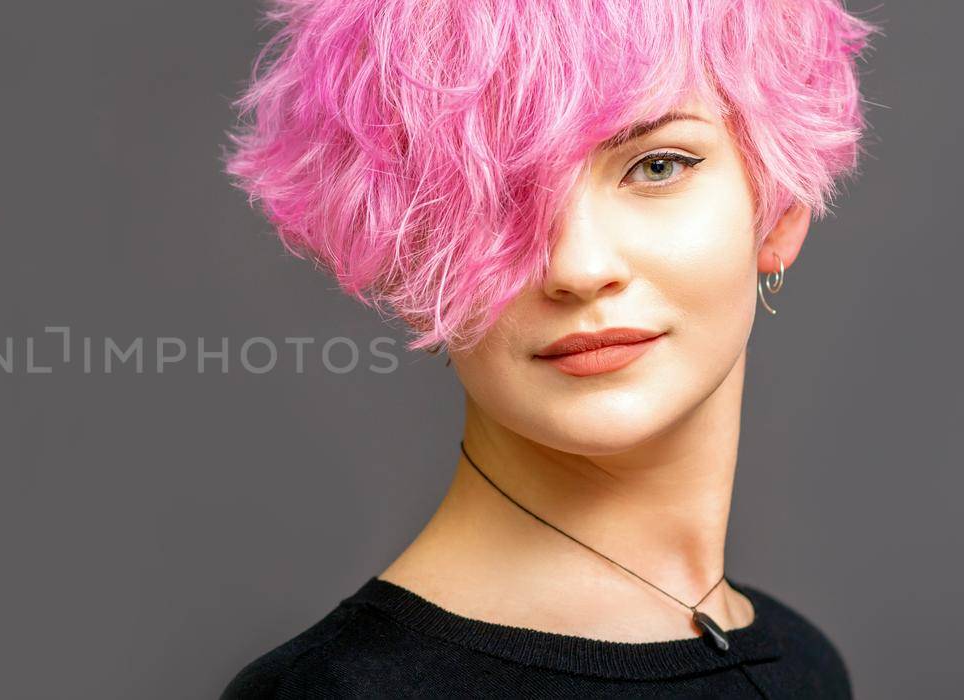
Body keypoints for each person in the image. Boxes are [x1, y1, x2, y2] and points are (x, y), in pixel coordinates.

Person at [219, 0, 878, 696]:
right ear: (405, 250)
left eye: (656, 166)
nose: (577, 266)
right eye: (497, 194)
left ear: (780, 207)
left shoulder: (803, 666)